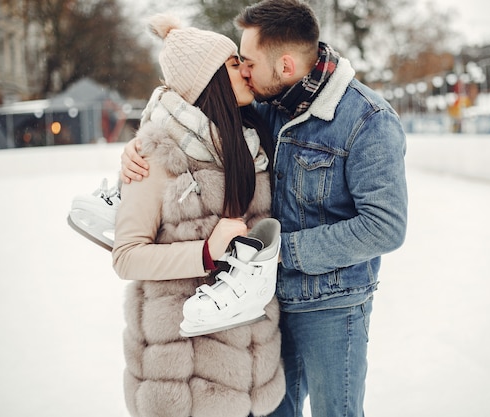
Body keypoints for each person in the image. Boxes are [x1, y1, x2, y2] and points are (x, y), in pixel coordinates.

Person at [121, 1, 408, 416]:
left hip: (330, 304)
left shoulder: (367, 119)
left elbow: (385, 227)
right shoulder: (267, 107)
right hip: (263, 307)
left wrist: (274, 253)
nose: (246, 72)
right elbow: (189, 106)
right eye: (238, 63)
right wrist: (139, 150)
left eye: (248, 62)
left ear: (286, 65)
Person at [111, 13, 285, 417]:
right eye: (231, 64)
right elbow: (126, 256)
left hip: (250, 363)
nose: (244, 69)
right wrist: (206, 251)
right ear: (207, 78)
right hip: (184, 376)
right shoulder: (156, 153)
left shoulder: (251, 144)